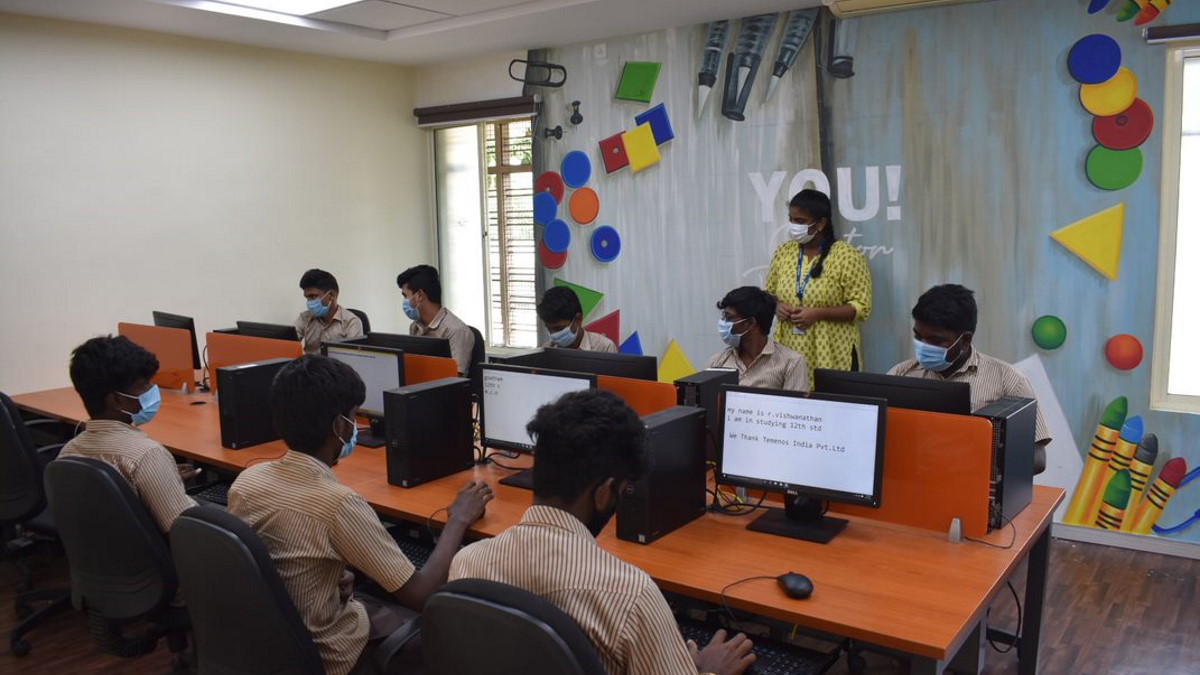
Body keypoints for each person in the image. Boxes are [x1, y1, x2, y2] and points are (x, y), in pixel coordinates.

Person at [450, 390, 756, 675]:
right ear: (604, 493)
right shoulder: (631, 596)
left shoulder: (466, 564)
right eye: (623, 491)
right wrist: (708, 671)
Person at [228, 355, 493, 675]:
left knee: (374, 595)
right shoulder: (337, 504)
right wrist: (457, 520)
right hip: (327, 653)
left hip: (270, 643)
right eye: (355, 417)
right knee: (442, 628)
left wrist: (326, 573)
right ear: (340, 426)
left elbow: (277, 560)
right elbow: (421, 594)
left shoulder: (247, 481)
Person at [887, 284, 1051, 473]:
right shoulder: (901, 374)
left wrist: (970, 465)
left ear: (965, 339)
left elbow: (1037, 459)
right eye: (918, 336)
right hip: (912, 486)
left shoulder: (1008, 380)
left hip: (975, 491)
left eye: (936, 340)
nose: (923, 346)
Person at [58, 336, 197, 533]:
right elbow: (184, 531)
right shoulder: (146, 455)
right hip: (156, 561)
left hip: (102, 559)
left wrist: (164, 481)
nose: (152, 390)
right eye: (144, 385)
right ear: (116, 400)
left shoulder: (68, 451)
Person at [764, 189, 872, 387]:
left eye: (800, 221)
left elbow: (861, 307)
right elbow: (769, 293)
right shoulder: (784, 252)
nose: (794, 226)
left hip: (832, 352)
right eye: (791, 220)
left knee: (831, 407)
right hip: (790, 349)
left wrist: (818, 313)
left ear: (821, 223)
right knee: (794, 407)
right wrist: (777, 305)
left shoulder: (846, 255)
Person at [704, 286, 808, 392]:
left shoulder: (791, 363)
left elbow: (795, 407)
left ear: (750, 323)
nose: (723, 323)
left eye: (728, 317)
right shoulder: (717, 362)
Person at [396, 264, 475, 375]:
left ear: (419, 295)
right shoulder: (415, 327)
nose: (404, 301)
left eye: (405, 296)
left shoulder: (456, 331)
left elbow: (454, 379)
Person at [295, 268, 364, 355]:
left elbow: (353, 358)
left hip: (336, 368)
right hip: (310, 367)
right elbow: (289, 343)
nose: (309, 302)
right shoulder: (305, 318)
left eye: (313, 296)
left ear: (331, 295)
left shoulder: (351, 322)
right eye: (307, 297)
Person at [536, 286, 617, 353]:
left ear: (578, 319)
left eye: (559, 328)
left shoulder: (604, 348)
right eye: (549, 329)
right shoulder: (546, 350)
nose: (553, 335)